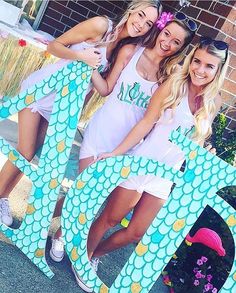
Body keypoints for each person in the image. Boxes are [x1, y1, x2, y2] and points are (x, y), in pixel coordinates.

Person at [0, 0, 161, 225]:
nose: (141, 23)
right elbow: (54, 45)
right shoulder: (101, 25)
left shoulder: (122, 49)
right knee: (25, 150)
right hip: (44, 91)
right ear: (132, 10)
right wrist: (82, 57)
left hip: (65, 104)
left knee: (32, 151)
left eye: (149, 23)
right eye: (141, 15)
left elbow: (96, 87)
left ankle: (3, 197)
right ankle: (1, 196)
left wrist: (76, 113)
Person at [70, 12, 198, 292]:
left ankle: (73, 244)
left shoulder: (171, 77)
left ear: (181, 48)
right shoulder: (131, 51)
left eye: (177, 42)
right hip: (103, 136)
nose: (168, 43)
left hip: (131, 148)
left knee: (101, 205)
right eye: (167, 35)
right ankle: (63, 240)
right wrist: (87, 62)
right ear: (160, 31)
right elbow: (105, 89)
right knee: (86, 197)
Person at [86, 37, 229, 279]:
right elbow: (145, 123)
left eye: (209, 66)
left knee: (136, 232)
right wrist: (117, 152)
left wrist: (204, 153)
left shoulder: (212, 102)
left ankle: (93, 256)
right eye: (197, 61)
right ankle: (83, 258)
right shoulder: (174, 86)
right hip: (142, 164)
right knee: (109, 219)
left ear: (219, 70)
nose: (200, 70)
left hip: (165, 178)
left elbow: (195, 142)